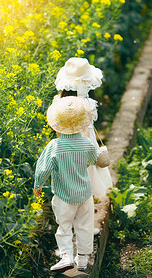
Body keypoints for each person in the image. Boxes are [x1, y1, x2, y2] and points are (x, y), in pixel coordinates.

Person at [34, 96, 97, 273]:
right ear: (82, 122)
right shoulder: (86, 143)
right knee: (84, 225)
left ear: (57, 124)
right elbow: (92, 160)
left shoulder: (55, 145)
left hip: (63, 196)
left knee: (64, 226)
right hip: (85, 193)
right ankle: (83, 259)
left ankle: (66, 256)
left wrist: (38, 184)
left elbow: (43, 168)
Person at [54, 57, 113, 198]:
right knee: (87, 177)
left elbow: (57, 130)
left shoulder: (59, 103)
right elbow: (86, 132)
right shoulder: (88, 104)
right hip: (86, 145)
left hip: (65, 145)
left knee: (70, 180)